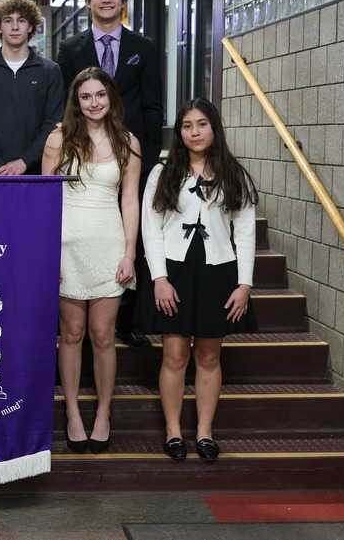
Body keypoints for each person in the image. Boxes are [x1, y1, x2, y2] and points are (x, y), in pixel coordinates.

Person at [140, 98, 258, 462]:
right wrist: (159, 278)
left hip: (218, 270)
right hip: (173, 270)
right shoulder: (162, 173)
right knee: (175, 355)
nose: (195, 132)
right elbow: (151, 228)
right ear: (179, 132)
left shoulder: (233, 174)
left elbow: (245, 232)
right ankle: (173, 432)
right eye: (187, 126)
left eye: (202, 124)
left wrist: (244, 284)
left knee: (209, 356)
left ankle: (205, 432)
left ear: (214, 128)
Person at [56, 0, 164, 348]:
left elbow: (153, 104)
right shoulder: (70, 49)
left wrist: (146, 158)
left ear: (123, 2)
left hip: (130, 157)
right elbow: (66, 104)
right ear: (88, 2)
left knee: (133, 237)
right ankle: (77, 312)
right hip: (86, 159)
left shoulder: (143, 46)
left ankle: (126, 321)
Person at [42, 68, 140, 454]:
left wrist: (130, 253)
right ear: (76, 101)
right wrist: (47, 251)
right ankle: (72, 413)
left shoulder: (128, 142)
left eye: (100, 94)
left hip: (109, 246)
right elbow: (45, 199)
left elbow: (129, 200)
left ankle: (102, 413)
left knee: (102, 335)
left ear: (111, 97)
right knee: (71, 333)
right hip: (66, 247)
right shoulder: (58, 139)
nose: (94, 102)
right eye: (86, 96)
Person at [0, 0, 64, 175]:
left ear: (30, 26)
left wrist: (25, 161)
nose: (15, 27)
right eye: (8, 20)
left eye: (22, 20)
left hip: (37, 172)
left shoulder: (50, 71)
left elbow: (53, 124)